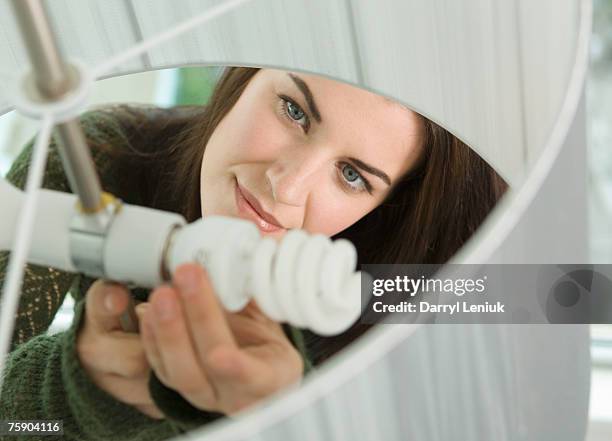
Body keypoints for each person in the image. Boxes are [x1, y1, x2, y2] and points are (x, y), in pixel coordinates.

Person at [0, 67, 507, 439]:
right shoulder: (96, 161)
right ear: (244, 77)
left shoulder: (399, 312)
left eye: (352, 175)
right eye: (294, 111)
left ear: (386, 205)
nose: (285, 186)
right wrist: (74, 392)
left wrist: (290, 420)